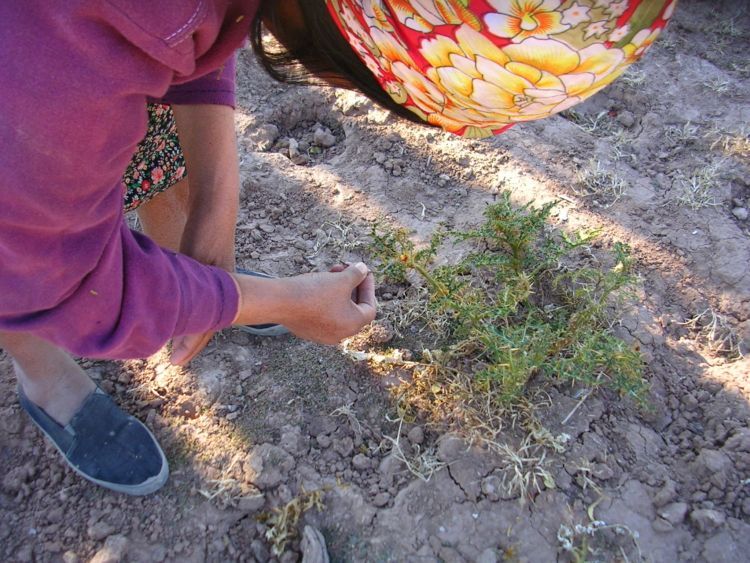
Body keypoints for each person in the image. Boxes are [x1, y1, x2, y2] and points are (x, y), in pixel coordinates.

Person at [0, 0, 675, 495]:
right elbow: (62, 283)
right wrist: (289, 303)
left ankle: (194, 277)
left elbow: (199, 30)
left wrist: (217, 202)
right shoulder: (52, 74)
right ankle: (45, 377)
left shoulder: (154, 26)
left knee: (158, 157)